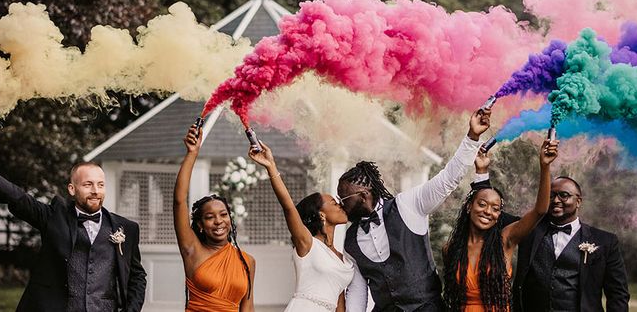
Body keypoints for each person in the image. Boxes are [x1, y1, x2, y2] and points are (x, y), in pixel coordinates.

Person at [0, 133, 146, 312]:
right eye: (88, 184)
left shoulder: (126, 228)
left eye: (100, 185)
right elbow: (14, 196)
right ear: (72, 189)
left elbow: (137, 276)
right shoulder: (53, 217)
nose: (95, 190)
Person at [338, 110, 492, 312]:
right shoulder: (350, 240)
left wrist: (472, 137)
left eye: (344, 198)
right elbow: (358, 291)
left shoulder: (407, 205)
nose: (341, 204)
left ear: (363, 195)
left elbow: (447, 180)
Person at [442, 138, 559, 312]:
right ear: (469, 207)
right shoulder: (451, 248)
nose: (488, 211)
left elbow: (540, 211)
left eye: (495, 208)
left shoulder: (505, 240)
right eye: (482, 204)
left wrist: (545, 166)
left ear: (498, 216)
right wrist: (481, 170)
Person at [248, 140, 354, 311]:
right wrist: (271, 167)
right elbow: (288, 207)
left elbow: (339, 302)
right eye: (335, 203)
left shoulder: (343, 257)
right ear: (321, 214)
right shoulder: (308, 243)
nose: (341, 205)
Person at [512, 175, 630, 312]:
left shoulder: (605, 241)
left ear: (578, 201)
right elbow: (494, 215)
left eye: (564, 195)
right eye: (551, 196)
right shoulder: (528, 232)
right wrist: (482, 172)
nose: (555, 200)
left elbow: (618, 294)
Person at [173, 124, 255, 312]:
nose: (219, 221)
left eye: (223, 214)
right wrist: (192, 153)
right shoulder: (192, 249)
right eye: (210, 217)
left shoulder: (247, 261)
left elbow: (248, 307)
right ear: (200, 225)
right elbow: (179, 201)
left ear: (230, 219)